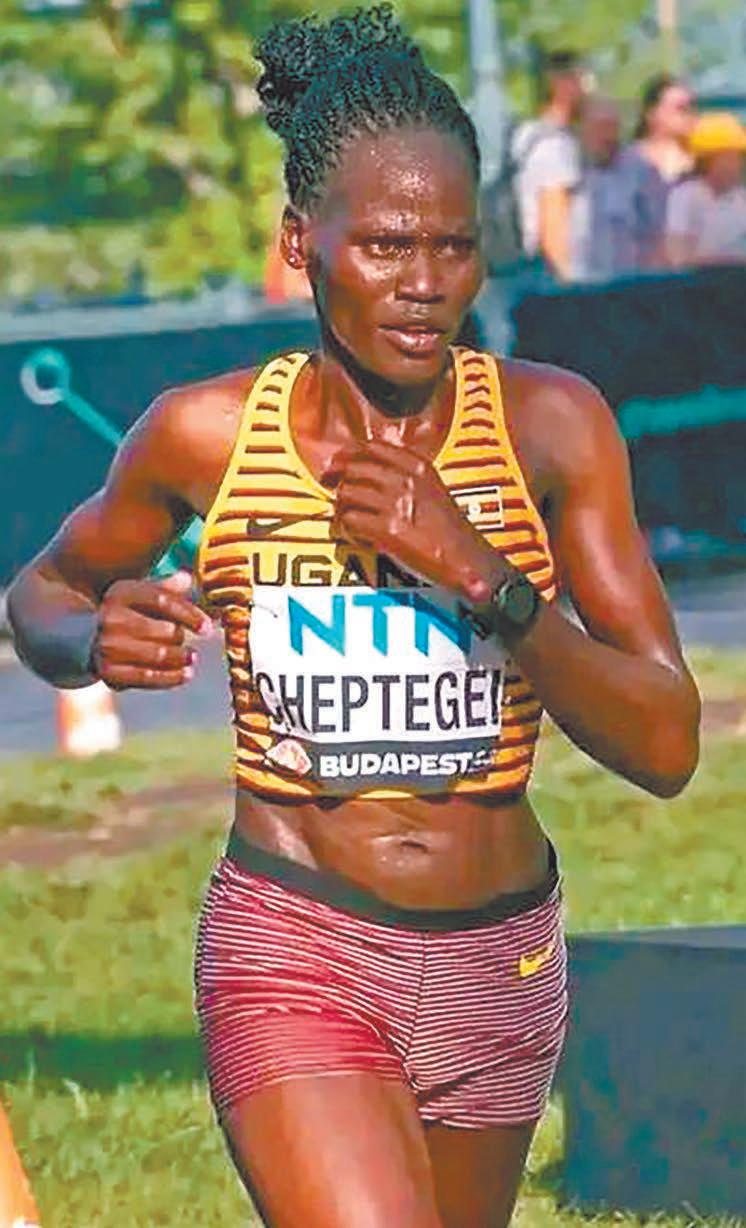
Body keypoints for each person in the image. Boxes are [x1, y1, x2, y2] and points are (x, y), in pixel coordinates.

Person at [6, 7, 701, 1227]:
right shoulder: (206, 434)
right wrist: (90, 642)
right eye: (384, 245)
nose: (423, 285)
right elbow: (41, 596)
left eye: (452, 246)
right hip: (298, 943)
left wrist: (484, 579)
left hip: (499, 956)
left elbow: (664, 743)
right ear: (300, 241)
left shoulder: (549, 427)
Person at [572, 96, 667, 280]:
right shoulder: (568, 173)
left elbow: (661, 233)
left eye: (613, 127)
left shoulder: (641, 171)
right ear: (582, 130)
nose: (607, 136)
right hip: (579, 286)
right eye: (600, 127)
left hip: (628, 284)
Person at [511, 50, 586, 280]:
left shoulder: (527, 135)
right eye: (583, 80)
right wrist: (570, 287)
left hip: (525, 269)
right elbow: (554, 228)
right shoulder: (555, 145)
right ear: (561, 85)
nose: (588, 92)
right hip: (548, 274)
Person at [664, 111, 746, 268]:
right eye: (728, 158)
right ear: (707, 161)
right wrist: (728, 262)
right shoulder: (685, 197)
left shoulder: (741, 199)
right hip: (700, 282)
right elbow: (678, 256)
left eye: (738, 158)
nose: (735, 165)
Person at [632, 73, 696, 187]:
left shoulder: (702, 163)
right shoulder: (627, 161)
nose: (690, 114)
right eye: (681, 108)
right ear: (652, 114)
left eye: (691, 108)